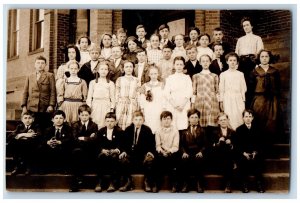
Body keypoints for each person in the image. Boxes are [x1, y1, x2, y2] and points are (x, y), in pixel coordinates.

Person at [249, 50, 283, 146]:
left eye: (266, 56)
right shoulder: (254, 71)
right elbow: (251, 87)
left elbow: (278, 86)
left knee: (272, 122)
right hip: (259, 99)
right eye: (262, 56)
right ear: (259, 58)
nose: (264, 58)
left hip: (272, 100)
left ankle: (271, 145)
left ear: (269, 58)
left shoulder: (275, 71)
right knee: (259, 120)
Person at [119, 111, 156, 192]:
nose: (138, 122)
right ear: (132, 120)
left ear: (143, 120)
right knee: (122, 159)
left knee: (150, 159)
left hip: (142, 154)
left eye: (140, 120)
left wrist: (150, 151)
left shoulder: (147, 130)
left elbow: (152, 143)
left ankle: (147, 182)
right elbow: (123, 143)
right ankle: (128, 182)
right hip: (131, 154)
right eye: (136, 119)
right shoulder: (128, 129)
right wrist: (124, 151)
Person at [233, 109, 265, 193]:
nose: (248, 118)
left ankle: (259, 184)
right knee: (242, 161)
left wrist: (255, 152)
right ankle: (244, 184)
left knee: (259, 160)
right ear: (243, 118)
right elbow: (237, 145)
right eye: (246, 116)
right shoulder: (239, 130)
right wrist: (244, 153)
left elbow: (260, 143)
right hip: (244, 153)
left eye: (250, 116)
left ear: (253, 118)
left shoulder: (258, 129)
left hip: (254, 153)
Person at [69, 104, 98, 192]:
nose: (84, 117)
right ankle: (76, 182)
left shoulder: (94, 125)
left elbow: (95, 139)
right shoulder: (75, 125)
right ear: (79, 115)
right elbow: (74, 139)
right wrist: (88, 138)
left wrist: (83, 138)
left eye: (86, 115)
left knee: (81, 153)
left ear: (89, 115)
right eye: (82, 115)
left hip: (90, 150)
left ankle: (78, 180)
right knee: (77, 152)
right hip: (78, 149)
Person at [235, 17, 264, 107]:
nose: (246, 27)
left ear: (251, 26)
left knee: (251, 84)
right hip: (242, 63)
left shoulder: (257, 38)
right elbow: (237, 53)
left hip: (252, 62)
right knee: (242, 83)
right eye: (244, 26)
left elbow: (260, 52)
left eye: (247, 25)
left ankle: (251, 107)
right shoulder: (240, 40)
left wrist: (257, 64)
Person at [21, 55, 56, 130]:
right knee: (31, 129)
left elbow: (53, 92)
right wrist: (24, 106)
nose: (40, 65)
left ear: (45, 65)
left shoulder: (50, 76)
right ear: (34, 64)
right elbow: (25, 92)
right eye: (38, 63)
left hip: (44, 107)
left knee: (43, 128)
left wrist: (51, 105)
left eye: (42, 63)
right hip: (31, 107)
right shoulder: (30, 76)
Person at [94, 112, 123, 192]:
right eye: (108, 121)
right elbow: (97, 143)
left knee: (114, 157)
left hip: (114, 152)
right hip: (104, 152)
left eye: (112, 121)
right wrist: (102, 150)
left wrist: (117, 149)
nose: (109, 123)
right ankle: (99, 182)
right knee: (100, 157)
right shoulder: (101, 131)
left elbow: (122, 144)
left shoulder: (119, 131)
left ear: (115, 122)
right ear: (105, 121)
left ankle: (112, 183)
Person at [179, 109, 207, 193]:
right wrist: (183, 152)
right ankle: (185, 184)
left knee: (199, 160)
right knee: (184, 161)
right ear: (188, 119)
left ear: (198, 119)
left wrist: (201, 151)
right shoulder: (184, 131)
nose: (194, 119)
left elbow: (205, 144)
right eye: (192, 117)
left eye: (196, 117)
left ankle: (199, 184)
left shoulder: (202, 131)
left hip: (198, 152)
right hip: (187, 153)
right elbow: (181, 144)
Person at [208, 112, 236, 193]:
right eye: (221, 120)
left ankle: (228, 185)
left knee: (228, 155)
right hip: (217, 157)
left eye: (225, 119)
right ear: (218, 122)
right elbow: (210, 147)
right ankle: (228, 184)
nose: (223, 121)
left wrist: (231, 144)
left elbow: (236, 147)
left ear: (228, 120)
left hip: (228, 158)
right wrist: (218, 143)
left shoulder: (233, 132)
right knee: (225, 153)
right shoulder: (213, 132)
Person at [7, 111, 41, 175]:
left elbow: (38, 135)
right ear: (22, 120)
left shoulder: (36, 126)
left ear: (33, 119)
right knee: (14, 142)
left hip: (31, 147)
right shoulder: (20, 126)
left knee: (27, 145)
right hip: (20, 147)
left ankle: (28, 167)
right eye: (25, 118)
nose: (27, 120)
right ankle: (17, 167)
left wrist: (21, 136)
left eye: (29, 118)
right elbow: (12, 135)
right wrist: (23, 134)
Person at [164, 56, 193, 131]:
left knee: (183, 124)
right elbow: (166, 93)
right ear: (174, 65)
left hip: (184, 103)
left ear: (183, 66)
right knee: (173, 124)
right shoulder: (170, 78)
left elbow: (189, 91)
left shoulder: (187, 77)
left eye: (181, 64)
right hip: (173, 103)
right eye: (177, 64)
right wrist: (175, 105)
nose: (179, 66)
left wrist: (182, 105)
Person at [219, 52, 247, 130]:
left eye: (234, 60)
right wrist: (221, 101)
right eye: (230, 60)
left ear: (237, 62)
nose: (232, 62)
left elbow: (243, 88)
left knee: (239, 115)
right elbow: (221, 89)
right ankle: (230, 135)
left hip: (238, 98)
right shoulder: (223, 74)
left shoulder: (240, 74)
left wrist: (243, 100)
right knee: (229, 115)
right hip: (227, 98)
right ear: (227, 62)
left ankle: (239, 134)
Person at [155, 111, 180, 193]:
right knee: (157, 160)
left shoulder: (175, 131)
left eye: (168, 118)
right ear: (161, 120)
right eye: (164, 119)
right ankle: (157, 184)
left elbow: (176, 146)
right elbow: (158, 145)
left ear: (171, 120)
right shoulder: (158, 131)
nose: (166, 121)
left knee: (173, 161)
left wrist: (169, 151)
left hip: (172, 152)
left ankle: (174, 185)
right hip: (161, 152)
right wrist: (162, 152)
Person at [192, 54, 219, 127]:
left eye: (207, 61)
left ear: (210, 62)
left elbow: (217, 91)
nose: (205, 63)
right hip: (200, 102)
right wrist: (193, 104)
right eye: (203, 61)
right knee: (201, 125)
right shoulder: (196, 76)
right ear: (200, 63)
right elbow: (194, 92)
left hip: (212, 102)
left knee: (211, 125)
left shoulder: (214, 76)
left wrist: (219, 103)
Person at [86, 61, 115, 129]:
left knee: (105, 122)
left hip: (106, 105)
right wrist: (89, 107)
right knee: (95, 122)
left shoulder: (110, 83)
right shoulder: (93, 82)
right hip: (95, 105)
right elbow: (89, 97)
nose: (103, 71)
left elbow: (113, 97)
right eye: (101, 69)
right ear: (98, 70)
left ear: (108, 71)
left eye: (105, 69)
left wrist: (112, 108)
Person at [115, 60, 141, 130]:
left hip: (132, 104)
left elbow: (138, 94)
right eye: (126, 67)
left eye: (130, 67)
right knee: (120, 122)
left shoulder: (137, 80)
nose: (129, 68)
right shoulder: (120, 79)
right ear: (123, 69)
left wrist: (138, 105)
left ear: (133, 68)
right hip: (121, 103)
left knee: (130, 123)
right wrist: (117, 103)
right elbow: (117, 93)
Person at [140, 66, 165, 134]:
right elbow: (142, 99)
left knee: (158, 126)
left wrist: (163, 108)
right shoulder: (145, 85)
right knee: (148, 125)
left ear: (158, 74)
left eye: (155, 73)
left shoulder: (162, 85)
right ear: (149, 75)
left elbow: (164, 98)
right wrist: (142, 109)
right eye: (152, 74)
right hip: (148, 109)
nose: (153, 76)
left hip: (158, 108)